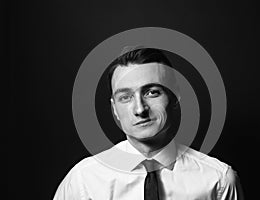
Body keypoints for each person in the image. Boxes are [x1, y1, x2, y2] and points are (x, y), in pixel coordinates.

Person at [53, 48, 244, 200]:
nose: (140, 109)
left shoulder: (218, 180)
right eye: (125, 97)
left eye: (151, 92)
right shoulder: (83, 181)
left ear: (175, 96)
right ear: (114, 108)